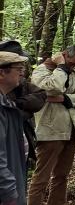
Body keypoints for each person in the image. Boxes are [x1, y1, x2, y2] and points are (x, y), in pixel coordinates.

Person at [27, 45, 75, 205]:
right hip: (50, 131)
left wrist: (66, 99)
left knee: (62, 175)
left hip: (70, 130)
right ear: (62, 56)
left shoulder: (71, 72)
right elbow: (53, 88)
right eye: (72, 63)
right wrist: (61, 69)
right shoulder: (41, 71)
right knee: (41, 177)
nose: (74, 67)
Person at [0, 50, 40, 205]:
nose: (22, 74)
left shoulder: (6, 101)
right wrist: (7, 186)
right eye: (18, 70)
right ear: (2, 74)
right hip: (6, 175)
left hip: (15, 166)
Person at [0, 40, 46, 171]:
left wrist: (16, 105)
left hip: (20, 147)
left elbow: (41, 96)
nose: (21, 72)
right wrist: (14, 112)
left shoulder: (20, 83)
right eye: (18, 68)